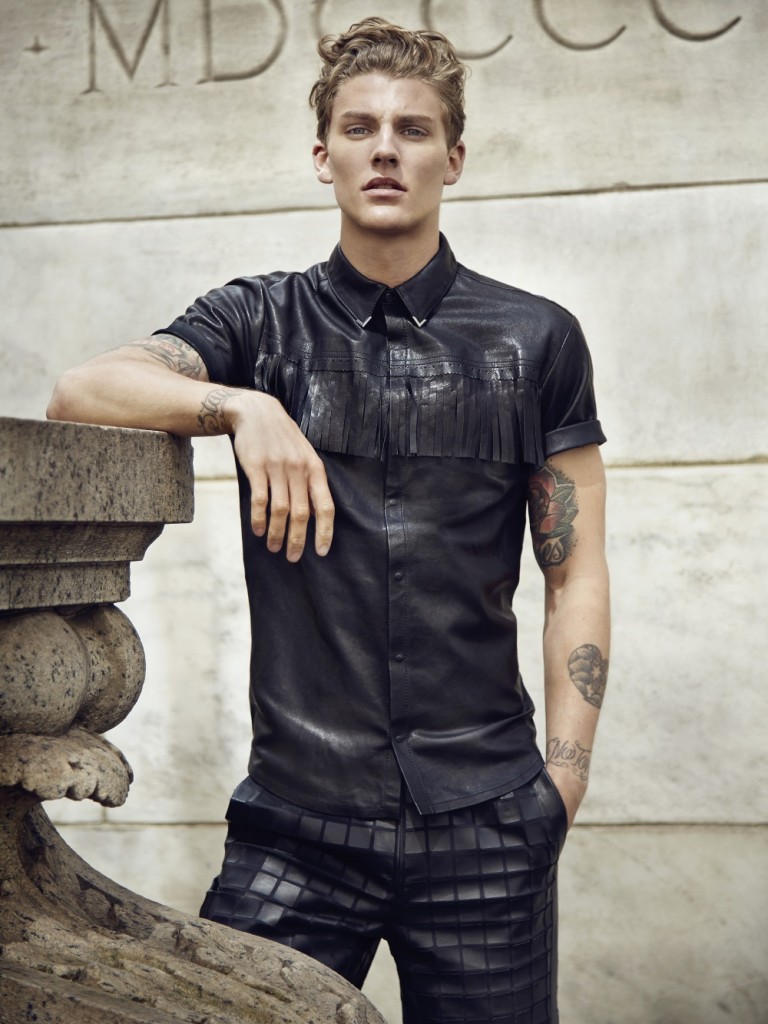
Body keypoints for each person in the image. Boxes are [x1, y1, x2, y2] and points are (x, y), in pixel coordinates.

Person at [48, 17, 609, 1024]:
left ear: (453, 158)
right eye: (360, 128)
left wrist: (560, 785)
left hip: (488, 821)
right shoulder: (256, 323)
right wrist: (241, 405)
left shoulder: (538, 339)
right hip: (295, 827)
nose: (386, 148)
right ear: (324, 156)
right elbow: (81, 390)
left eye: (413, 129)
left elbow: (576, 573)